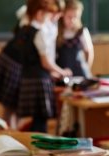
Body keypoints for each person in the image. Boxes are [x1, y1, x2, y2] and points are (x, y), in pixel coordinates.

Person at [17, 0, 72, 132]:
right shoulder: (39, 32)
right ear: (40, 13)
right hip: (39, 81)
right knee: (41, 121)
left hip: (28, 78)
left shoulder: (24, 29)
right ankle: (40, 149)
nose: (51, 19)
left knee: (37, 119)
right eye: (49, 14)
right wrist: (62, 72)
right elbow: (45, 62)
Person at [56, 0, 94, 79]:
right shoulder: (56, 32)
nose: (72, 20)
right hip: (62, 73)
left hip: (80, 72)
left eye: (75, 17)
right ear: (62, 15)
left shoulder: (82, 31)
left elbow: (89, 53)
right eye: (69, 17)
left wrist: (87, 68)